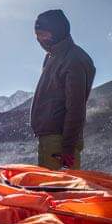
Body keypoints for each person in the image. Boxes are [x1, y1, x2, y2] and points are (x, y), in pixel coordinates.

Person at [30, 9, 96, 170]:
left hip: (60, 141)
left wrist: (67, 147)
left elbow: (76, 107)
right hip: (49, 140)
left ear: (58, 32)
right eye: (37, 36)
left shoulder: (75, 59)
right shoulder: (52, 56)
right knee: (48, 190)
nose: (40, 40)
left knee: (59, 191)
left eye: (44, 35)